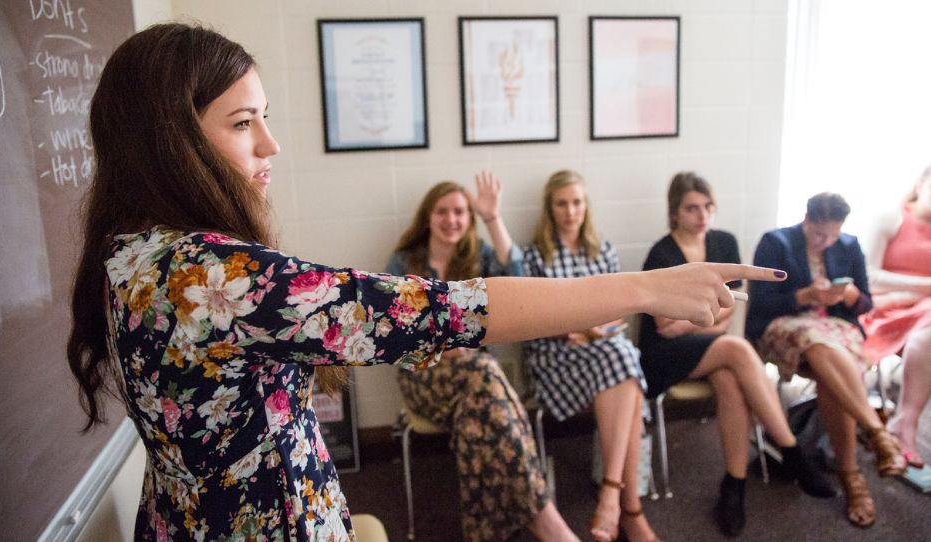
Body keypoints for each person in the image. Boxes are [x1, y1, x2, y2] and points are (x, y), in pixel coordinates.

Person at [67, 23, 786, 542]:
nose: (271, 145)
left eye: (267, 119)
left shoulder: (127, 255)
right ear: (174, 140)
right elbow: (442, 311)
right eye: (244, 122)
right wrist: (646, 288)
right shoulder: (206, 272)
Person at [638, 172, 837, 537]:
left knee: (730, 377)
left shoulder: (724, 243)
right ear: (675, 212)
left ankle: (734, 485)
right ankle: (792, 452)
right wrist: (708, 320)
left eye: (707, 206)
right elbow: (664, 327)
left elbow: (730, 308)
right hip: (662, 356)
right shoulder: (662, 253)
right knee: (735, 347)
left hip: (708, 348)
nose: (702, 215)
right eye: (692, 208)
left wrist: (698, 320)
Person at [386, 175, 578, 541]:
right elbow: (392, 333)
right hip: (425, 377)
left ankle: (486, 533)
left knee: (476, 421)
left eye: (460, 212)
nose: (452, 220)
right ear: (428, 218)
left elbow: (521, 283)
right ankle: (548, 522)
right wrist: (441, 345)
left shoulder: (477, 258)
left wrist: (492, 218)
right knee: (486, 371)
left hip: (474, 381)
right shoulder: (403, 263)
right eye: (442, 212)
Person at [746, 192, 907, 529]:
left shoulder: (849, 246)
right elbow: (759, 306)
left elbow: (864, 307)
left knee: (828, 364)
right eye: (820, 234)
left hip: (835, 332)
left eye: (833, 234)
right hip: (785, 327)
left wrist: (848, 296)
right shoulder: (776, 243)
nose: (827, 241)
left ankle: (853, 472)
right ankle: (875, 436)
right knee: (819, 345)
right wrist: (805, 295)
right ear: (806, 221)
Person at [522, 170, 659, 542]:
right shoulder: (535, 257)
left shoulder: (603, 249)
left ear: (587, 206)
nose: (571, 211)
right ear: (550, 209)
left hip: (600, 349)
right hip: (555, 355)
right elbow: (531, 319)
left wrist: (597, 326)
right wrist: (579, 328)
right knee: (626, 366)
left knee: (621, 358)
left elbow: (619, 307)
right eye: (562, 203)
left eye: (577, 202)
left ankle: (616, 499)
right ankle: (626, 507)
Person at [859, 166, 931, 468]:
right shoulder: (892, 218)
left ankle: (905, 420)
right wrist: (924, 287)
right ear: (921, 183)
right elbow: (868, 277)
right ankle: (905, 422)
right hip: (886, 308)